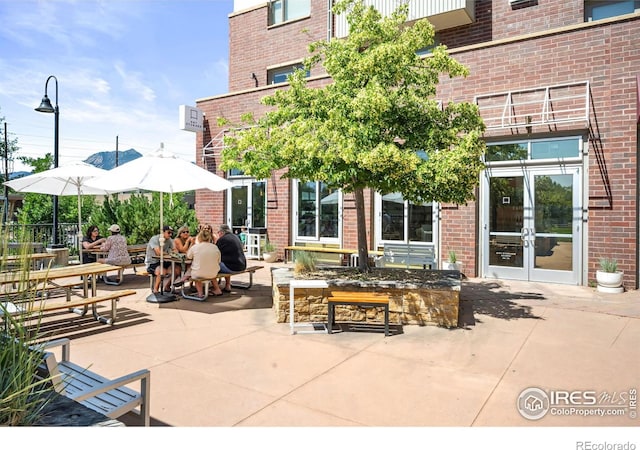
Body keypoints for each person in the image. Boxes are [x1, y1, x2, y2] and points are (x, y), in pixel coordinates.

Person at [181, 228, 223, 299]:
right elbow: (219, 261)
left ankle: (200, 293)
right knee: (206, 269)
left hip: (199, 273)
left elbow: (188, 256)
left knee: (195, 271)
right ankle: (217, 289)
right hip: (213, 273)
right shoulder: (215, 247)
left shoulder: (195, 247)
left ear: (199, 238)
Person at [145, 225, 180, 293]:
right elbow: (158, 252)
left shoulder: (169, 240)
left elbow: (175, 250)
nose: (170, 234)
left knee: (177, 270)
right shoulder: (154, 239)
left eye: (171, 233)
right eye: (169, 232)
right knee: (162, 271)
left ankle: (167, 287)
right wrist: (169, 253)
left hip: (164, 261)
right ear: (162, 232)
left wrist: (173, 252)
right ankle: (156, 290)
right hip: (152, 262)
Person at [215, 224, 246, 293]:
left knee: (211, 266)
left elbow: (214, 253)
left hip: (232, 268)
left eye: (218, 232)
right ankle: (228, 285)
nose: (218, 234)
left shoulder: (222, 240)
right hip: (242, 266)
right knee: (225, 262)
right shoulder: (235, 237)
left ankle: (216, 288)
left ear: (222, 232)